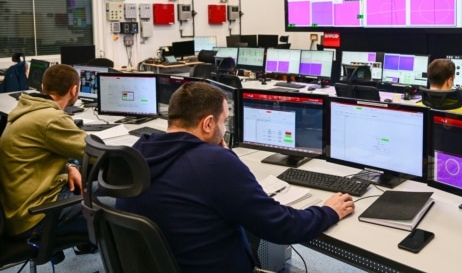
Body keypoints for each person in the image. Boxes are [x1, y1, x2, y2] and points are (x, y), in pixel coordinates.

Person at [117, 82, 355, 273]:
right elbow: (283, 227)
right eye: (225, 121)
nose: (225, 127)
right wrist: (329, 211)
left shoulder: (140, 150)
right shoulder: (213, 163)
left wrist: (222, 156)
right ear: (208, 123)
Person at [0, 64, 90, 243]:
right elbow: (93, 152)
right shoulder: (51, 119)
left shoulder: (26, 109)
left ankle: (88, 244)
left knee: (98, 189)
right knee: (117, 207)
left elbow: (35, 155)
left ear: (43, 87)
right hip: (35, 217)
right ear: (74, 90)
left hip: (18, 209)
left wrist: (69, 166)